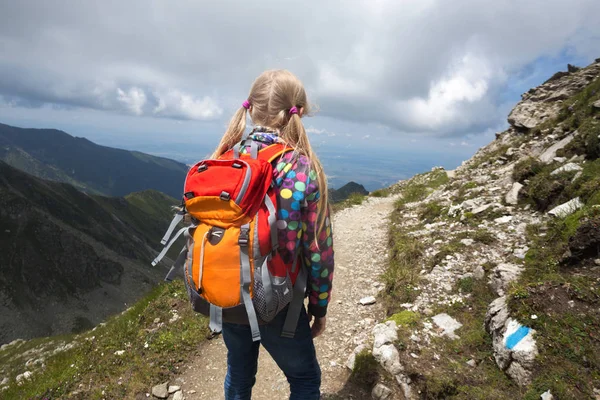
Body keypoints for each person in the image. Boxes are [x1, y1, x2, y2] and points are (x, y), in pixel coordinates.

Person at [210, 70, 334, 400]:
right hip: (278, 301)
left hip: (226, 292)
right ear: (299, 111)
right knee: (305, 379)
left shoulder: (224, 157)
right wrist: (319, 308)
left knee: (238, 375)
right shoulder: (300, 167)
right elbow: (318, 249)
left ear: (250, 109)